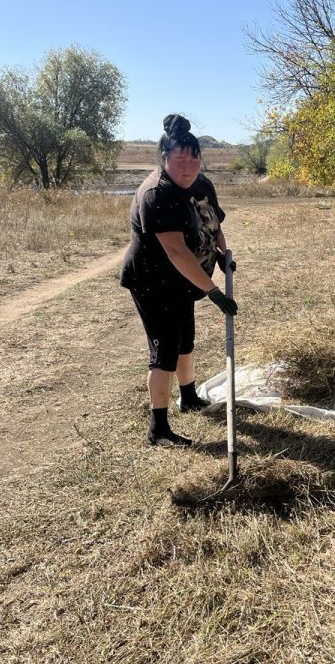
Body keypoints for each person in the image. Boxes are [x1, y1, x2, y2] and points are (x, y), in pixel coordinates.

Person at [120, 114, 238, 447]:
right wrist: (212, 290)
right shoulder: (156, 193)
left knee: (186, 337)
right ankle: (158, 429)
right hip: (153, 280)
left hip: (186, 278)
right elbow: (175, 251)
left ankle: (189, 397)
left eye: (194, 158)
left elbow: (214, 226)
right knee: (166, 348)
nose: (187, 166)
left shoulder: (201, 184)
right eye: (179, 159)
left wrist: (224, 255)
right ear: (164, 158)